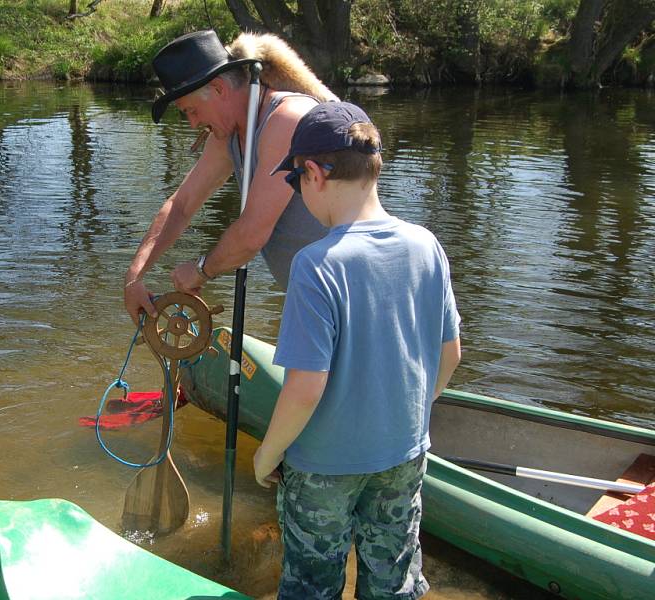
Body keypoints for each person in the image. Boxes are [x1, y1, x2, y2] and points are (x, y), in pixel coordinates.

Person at [253, 102, 462, 599]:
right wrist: (404, 420)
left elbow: (305, 389)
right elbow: (450, 354)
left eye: (294, 181)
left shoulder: (316, 265)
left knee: (312, 584)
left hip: (324, 466)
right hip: (403, 454)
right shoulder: (427, 245)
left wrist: (268, 454)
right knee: (393, 580)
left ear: (313, 173)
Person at [123, 30, 338, 322]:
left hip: (352, 294)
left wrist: (201, 270)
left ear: (219, 89)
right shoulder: (229, 136)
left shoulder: (287, 119)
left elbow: (252, 234)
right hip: (314, 296)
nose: (193, 123)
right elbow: (182, 205)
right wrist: (134, 277)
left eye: (192, 111)